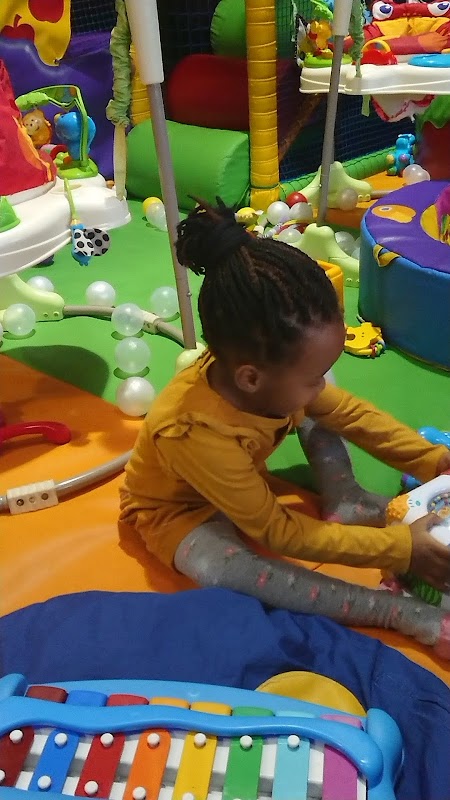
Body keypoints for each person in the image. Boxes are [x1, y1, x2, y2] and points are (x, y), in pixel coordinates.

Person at [120, 199, 450, 658]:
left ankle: (346, 497)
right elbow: (278, 533)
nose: (322, 383)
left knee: (315, 400)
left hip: (241, 476)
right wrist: (400, 549)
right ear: (250, 379)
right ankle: (393, 611)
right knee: (231, 573)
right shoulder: (194, 431)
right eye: (314, 375)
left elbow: (350, 413)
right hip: (179, 515)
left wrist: (433, 460)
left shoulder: (267, 377)